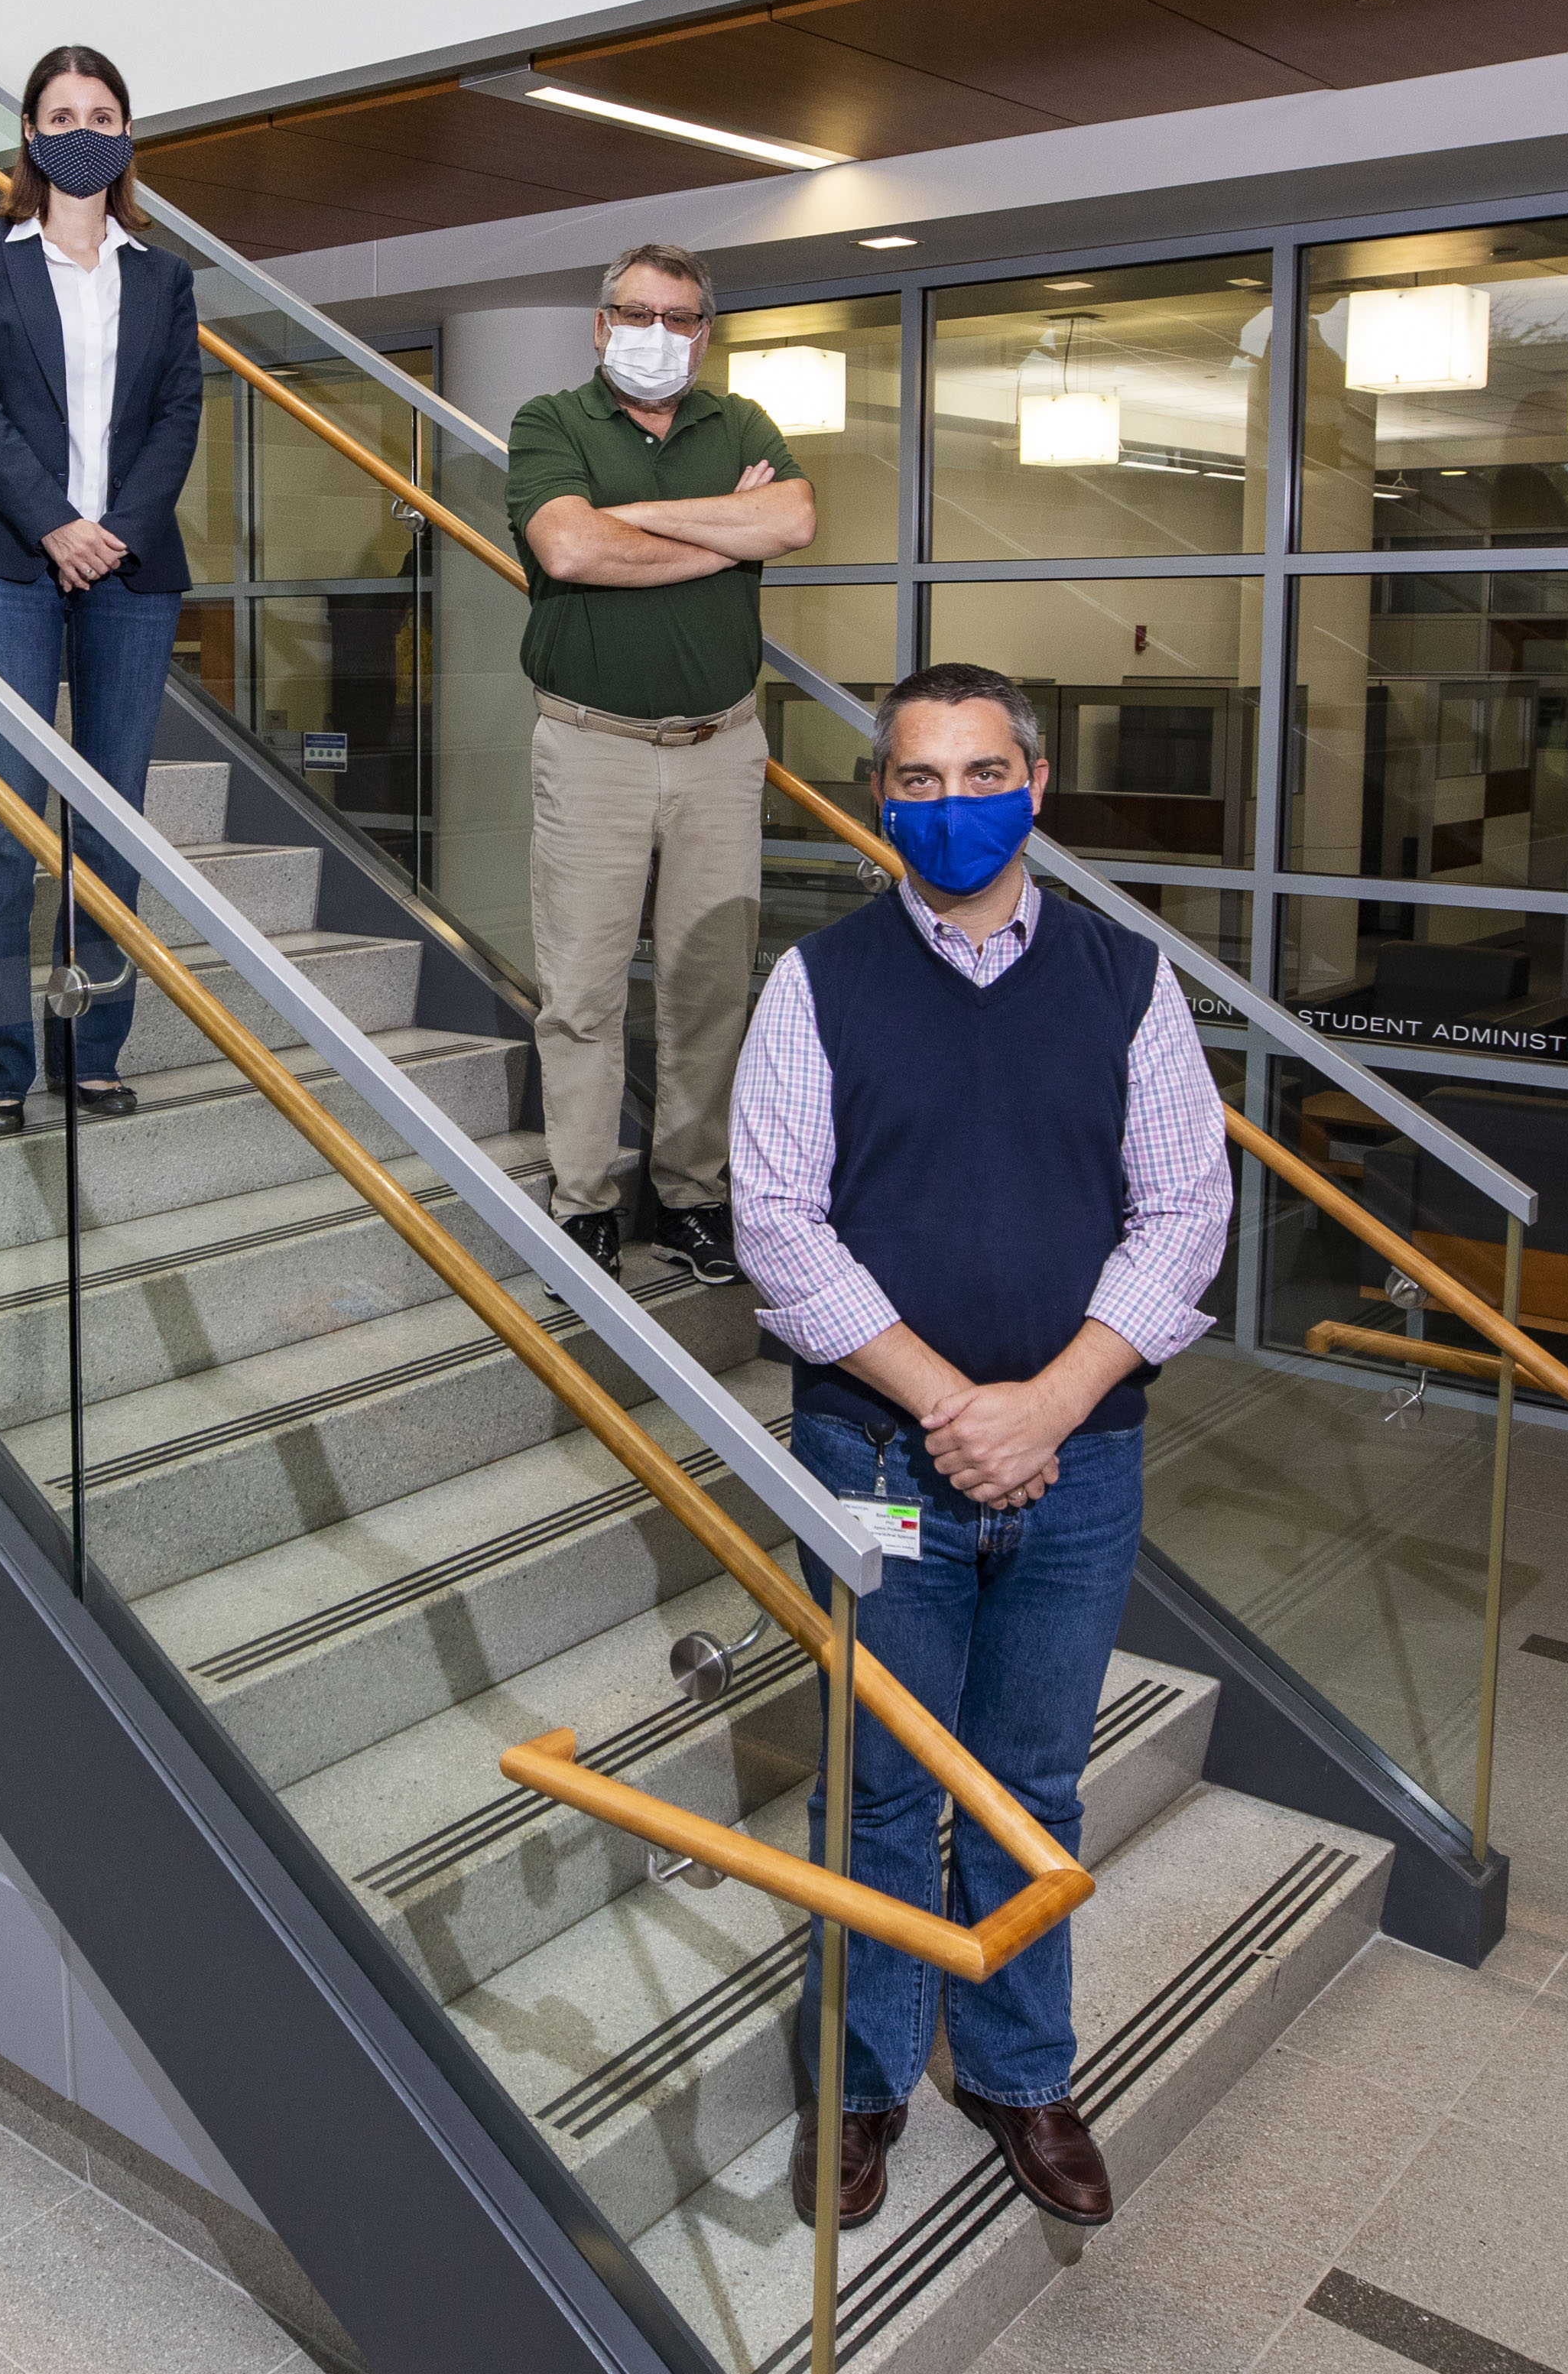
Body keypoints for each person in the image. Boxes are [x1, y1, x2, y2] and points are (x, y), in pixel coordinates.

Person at [729, 661, 1231, 2230]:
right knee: (880, 1788)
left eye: (980, 774)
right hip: (878, 1470)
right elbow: (777, 1229)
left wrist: (1049, 1405)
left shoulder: (1126, 983)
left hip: (1077, 1471)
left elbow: (1185, 1214)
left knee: (1034, 1787)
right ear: (881, 798)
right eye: (918, 780)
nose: (951, 807)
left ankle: (1018, 2070)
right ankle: (867, 2084)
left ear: (1037, 783)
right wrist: (956, 1404)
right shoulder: (813, 985)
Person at [504, 242, 813, 1289]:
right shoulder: (550, 422)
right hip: (592, 745)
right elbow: (568, 553)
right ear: (601, 325)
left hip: (722, 748)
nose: (657, 334)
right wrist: (730, 531)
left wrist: (627, 516)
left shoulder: (742, 423)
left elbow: (796, 517)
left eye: (680, 317)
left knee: (708, 990)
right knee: (583, 992)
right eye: (636, 313)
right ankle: (584, 1201)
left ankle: (689, 1196)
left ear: (704, 332)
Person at [0, 47, 202, 1137]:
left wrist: (116, 531)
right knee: (3, 818)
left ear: (127, 133)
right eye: (60, 111)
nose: (81, 126)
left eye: (101, 111)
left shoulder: (164, 276)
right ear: (29, 132)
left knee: (112, 820)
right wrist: (55, 523)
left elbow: (178, 415)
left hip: (131, 573)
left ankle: (89, 1047)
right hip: (6, 559)